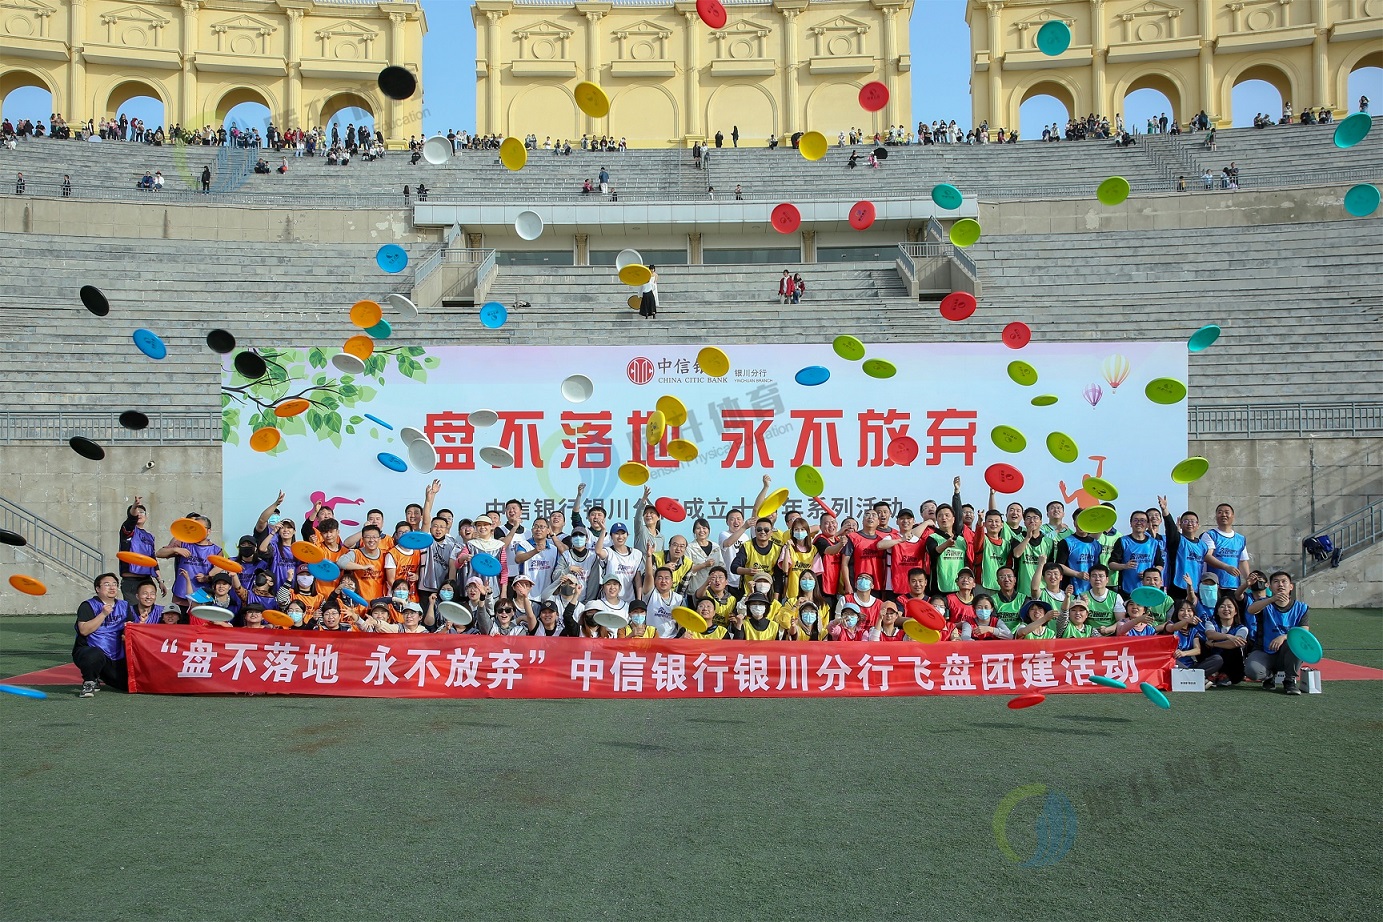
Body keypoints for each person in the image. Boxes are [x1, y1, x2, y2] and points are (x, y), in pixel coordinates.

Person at [1245, 571, 1310, 694]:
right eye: (1276, 582)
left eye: (1284, 581)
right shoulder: (1264, 603)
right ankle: (1269, 676)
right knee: (1252, 671)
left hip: (1287, 651)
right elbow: (1251, 610)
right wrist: (1272, 599)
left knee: (1296, 643)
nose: (1280, 585)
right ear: (1270, 587)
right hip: (1264, 650)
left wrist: (1284, 637)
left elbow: (1304, 632)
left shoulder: (1301, 607)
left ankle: (1289, 680)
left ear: (1291, 586)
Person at [74, 573, 131, 697]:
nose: (112, 587)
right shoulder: (88, 605)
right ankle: (89, 682)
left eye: (114, 584)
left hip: (116, 654)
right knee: (93, 656)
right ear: (97, 589)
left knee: (127, 685)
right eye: (107, 584)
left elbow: (129, 628)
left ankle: (101, 674)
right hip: (92, 650)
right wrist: (103, 614)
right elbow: (84, 630)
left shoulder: (124, 606)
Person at [118, 495, 164, 603]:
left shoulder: (150, 536)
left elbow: (153, 560)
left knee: (148, 609)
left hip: (146, 579)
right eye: (136, 512)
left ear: (146, 516)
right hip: (131, 580)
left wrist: (160, 581)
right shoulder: (128, 530)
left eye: (142, 512)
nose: (139, 514)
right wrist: (134, 506)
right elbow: (131, 519)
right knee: (133, 610)